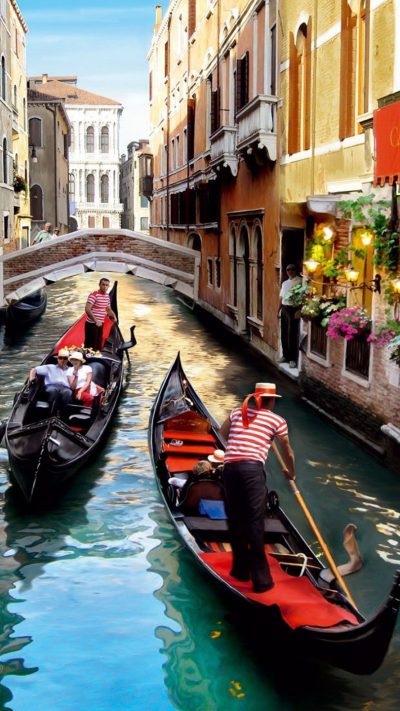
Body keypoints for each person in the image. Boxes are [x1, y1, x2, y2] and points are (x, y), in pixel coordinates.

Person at [219, 382, 296, 593]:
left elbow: (222, 434)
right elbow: (287, 450)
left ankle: (240, 571)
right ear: (271, 401)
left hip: (230, 468)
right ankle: (262, 581)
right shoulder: (276, 420)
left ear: (254, 398)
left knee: (236, 520)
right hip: (251, 471)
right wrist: (291, 472)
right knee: (254, 521)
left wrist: (246, 439)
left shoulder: (236, 413)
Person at [278, 264, 302, 368]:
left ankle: (293, 359)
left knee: (292, 334)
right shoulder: (284, 283)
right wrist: (278, 310)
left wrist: (300, 309)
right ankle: (285, 356)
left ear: (296, 270)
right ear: (286, 271)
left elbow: (304, 296)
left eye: (292, 269)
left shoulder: (300, 281)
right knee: (284, 332)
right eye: (288, 270)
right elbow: (281, 297)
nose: (290, 271)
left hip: (294, 309)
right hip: (284, 308)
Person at [84, 277, 117, 351]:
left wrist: (114, 316)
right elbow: (87, 309)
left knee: (98, 344)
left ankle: (95, 358)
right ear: (99, 285)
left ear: (109, 286)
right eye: (103, 285)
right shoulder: (94, 295)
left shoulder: (107, 296)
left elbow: (108, 309)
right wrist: (96, 321)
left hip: (100, 324)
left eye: (107, 285)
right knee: (89, 345)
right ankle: (87, 360)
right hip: (91, 324)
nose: (105, 287)